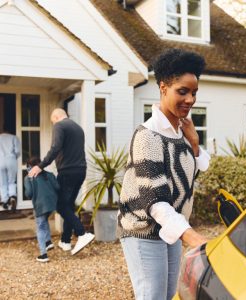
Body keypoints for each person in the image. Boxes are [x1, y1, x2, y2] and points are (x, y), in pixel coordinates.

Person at [117, 48, 211, 300]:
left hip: (171, 228)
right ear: (163, 88)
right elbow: (155, 199)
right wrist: (193, 237)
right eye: (183, 91)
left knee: (168, 295)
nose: (190, 99)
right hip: (144, 228)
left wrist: (194, 143)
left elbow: (189, 181)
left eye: (194, 93)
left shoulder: (181, 133)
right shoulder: (147, 136)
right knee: (153, 296)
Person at [28, 108, 94, 255]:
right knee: (68, 206)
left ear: (57, 117)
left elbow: (55, 147)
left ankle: (82, 233)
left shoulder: (60, 125)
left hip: (67, 172)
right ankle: (65, 241)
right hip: (81, 171)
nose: (53, 125)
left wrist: (40, 166)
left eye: (53, 122)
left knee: (61, 206)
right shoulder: (78, 128)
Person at [24, 157, 59, 262]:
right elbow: (57, 187)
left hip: (40, 205)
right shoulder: (49, 175)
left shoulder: (28, 178)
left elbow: (29, 194)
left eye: (27, 167)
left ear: (30, 167)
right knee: (44, 221)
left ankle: (43, 255)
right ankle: (48, 242)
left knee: (40, 228)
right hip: (52, 205)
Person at [0, 126, 20, 211]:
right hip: (11, 160)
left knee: (2, 182)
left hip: (0, 160)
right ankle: (12, 197)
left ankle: (5, 201)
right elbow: (17, 151)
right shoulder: (14, 137)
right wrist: (14, 157)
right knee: (11, 181)